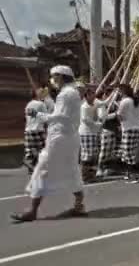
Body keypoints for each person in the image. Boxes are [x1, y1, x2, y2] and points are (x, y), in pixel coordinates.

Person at [12, 65, 85, 222]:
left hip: (60, 138)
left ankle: (32, 211)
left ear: (62, 77)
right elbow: (58, 113)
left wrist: (37, 114)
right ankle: (79, 205)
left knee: (43, 170)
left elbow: (59, 117)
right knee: (71, 170)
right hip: (69, 138)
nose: (52, 80)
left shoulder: (65, 94)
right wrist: (46, 101)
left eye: (54, 76)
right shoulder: (70, 93)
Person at [117, 83, 139, 183]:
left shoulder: (125, 101)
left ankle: (134, 175)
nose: (119, 93)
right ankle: (129, 174)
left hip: (128, 129)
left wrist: (122, 122)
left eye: (120, 91)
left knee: (128, 153)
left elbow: (119, 115)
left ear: (124, 91)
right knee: (133, 152)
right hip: (138, 128)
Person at [79, 87, 103, 180]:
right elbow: (85, 120)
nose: (94, 96)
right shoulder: (84, 106)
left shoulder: (93, 104)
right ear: (87, 96)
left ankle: (91, 175)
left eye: (94, 93)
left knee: (93, 154)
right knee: (87, 155)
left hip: (92, 132)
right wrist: (97, 124)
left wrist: (114, 93)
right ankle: (85, 175)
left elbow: (104, 103)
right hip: (86, 133)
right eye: (92, 94)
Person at [97, 87, 120, 177]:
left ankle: (107, 168)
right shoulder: (102, 105)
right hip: (105, 130)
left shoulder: (115, 105)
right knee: (104, 151)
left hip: (113, 130)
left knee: (111, 152)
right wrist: (115, 114)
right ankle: (99, 168)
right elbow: (103, 117)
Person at [23, 87, 48, 174]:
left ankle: (31, 167)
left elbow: (26, 118)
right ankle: (36, 166)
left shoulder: (28, 104)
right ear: (37, 94)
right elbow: (46, 118)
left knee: (31, 149)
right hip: (38, 129)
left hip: (28, 129)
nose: (43, 94)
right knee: (42, 149)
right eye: (41, 92)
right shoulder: (41, 104)